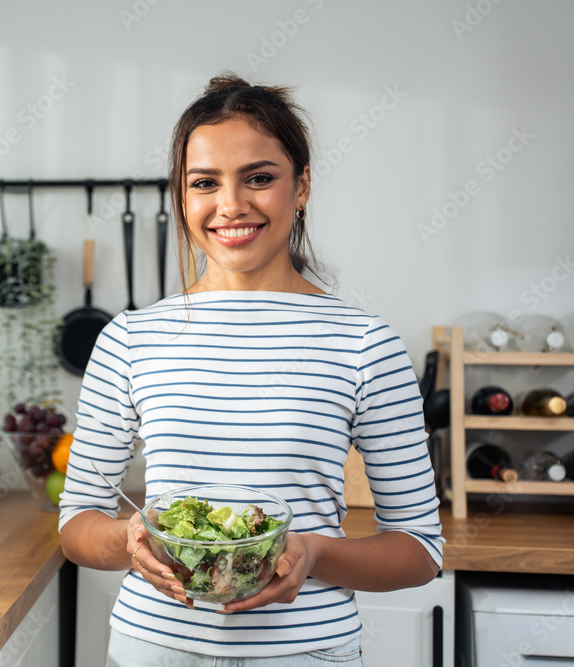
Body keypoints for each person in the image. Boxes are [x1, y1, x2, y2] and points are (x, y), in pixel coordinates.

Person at [58, 74, 444, 665]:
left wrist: (313, 552)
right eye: (205, 183)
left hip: (306, 653)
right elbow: (78, 524)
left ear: (302, 186)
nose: (231, 205)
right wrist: (130, 540)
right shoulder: (130, 339)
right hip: (154, 650)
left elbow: (420, 549)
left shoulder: (365, 344)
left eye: (259, 178)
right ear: (182, 196)